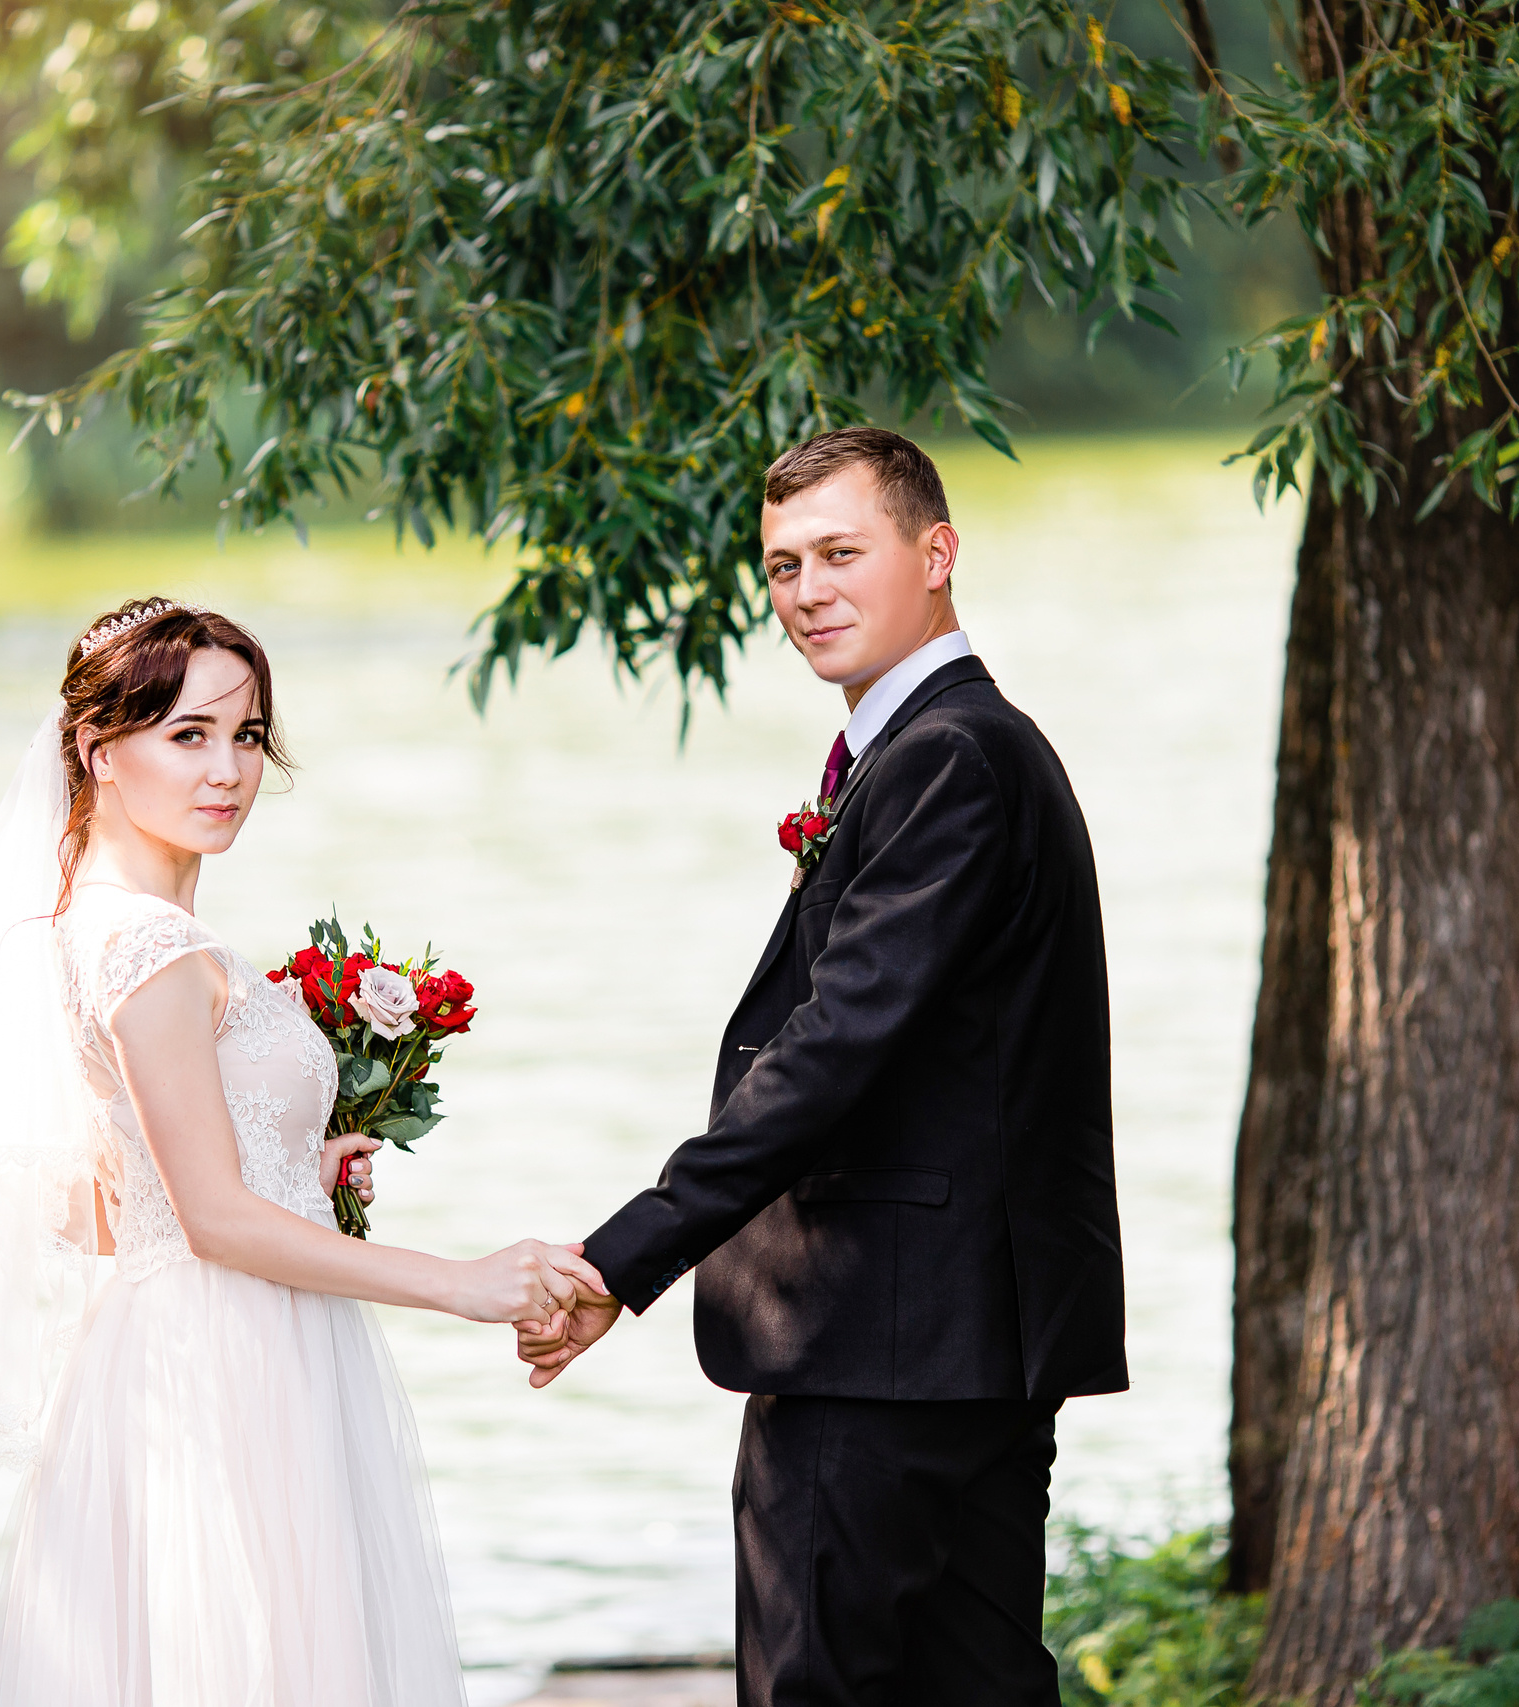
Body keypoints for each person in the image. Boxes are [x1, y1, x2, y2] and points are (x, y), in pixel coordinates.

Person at [0, 599, 601, 1705]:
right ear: (99, 751)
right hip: (222, 1362)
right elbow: (214, 1222)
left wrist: (304, 1162)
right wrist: (462, 1284)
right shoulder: (147, 947)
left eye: (246, 736)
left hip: (196, 1342)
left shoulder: (99, 924)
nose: (229, 771)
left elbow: (104, 1201)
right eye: (187, 734)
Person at [516, 428, 1127, 1706]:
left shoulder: (947, 757)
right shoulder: (949, 746)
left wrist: (623, 1257)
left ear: (937, 552)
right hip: (960, 1342)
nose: (806, 592)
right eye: (783, 565)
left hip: (880, 1340)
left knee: (817, 1688)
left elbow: (836, 1046)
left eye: (841, 553)